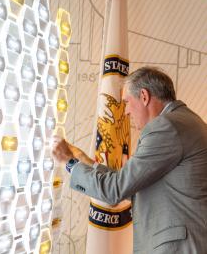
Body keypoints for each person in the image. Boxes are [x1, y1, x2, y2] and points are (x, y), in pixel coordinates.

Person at [52, 66, 207, 254]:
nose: (125, 111)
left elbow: (115, 190)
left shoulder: (165, 127)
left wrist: (69, 162)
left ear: (144, 96)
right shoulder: (185, 122)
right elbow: (134, 181)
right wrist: (85, 161)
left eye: (126, 101)